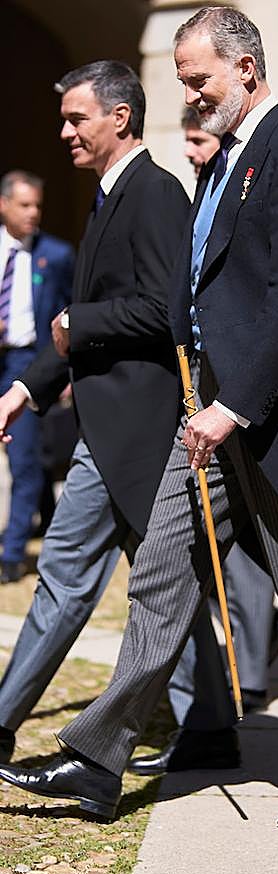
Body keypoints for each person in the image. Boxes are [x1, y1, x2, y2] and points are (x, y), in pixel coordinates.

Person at [0, 7, 278, 830]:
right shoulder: (221, 162)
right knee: (158, 577)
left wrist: (234, 406)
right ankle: (98, 761)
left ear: (246, 68)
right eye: (183, 81)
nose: (190, 95)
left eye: (199, 78)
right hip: (202, 412)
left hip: (269, 420)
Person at [0, 62, 234, 771]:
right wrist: (24, 389)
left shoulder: (154, 192)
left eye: (77, 119)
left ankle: (1, 721)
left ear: (120, 118)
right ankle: (210, 730)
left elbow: (167, 310)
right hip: (121, 429)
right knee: (165, 588)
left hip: (129, 432)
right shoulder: (108, 195)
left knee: (64, 575)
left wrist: (83, 320)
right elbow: (78, 328)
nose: (65, 132)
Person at [176, 103, 277, 717]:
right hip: (198, 377)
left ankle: (255, 672)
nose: (192, 151)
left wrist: (232, 399)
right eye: (187, 140)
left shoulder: (251, 177)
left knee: (250, 549)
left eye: (197, 139)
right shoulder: (203, 188)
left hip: (240, 390)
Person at [0, 170, 74, 583]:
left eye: (37, 206)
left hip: (26, 363)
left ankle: (11, 555)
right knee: (33, 457)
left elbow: (70, 311)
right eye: (24, 205)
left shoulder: (56, 255)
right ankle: (42, 520)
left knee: (24, 457)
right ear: (4, 205)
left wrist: (62, 371)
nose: (33, 213)